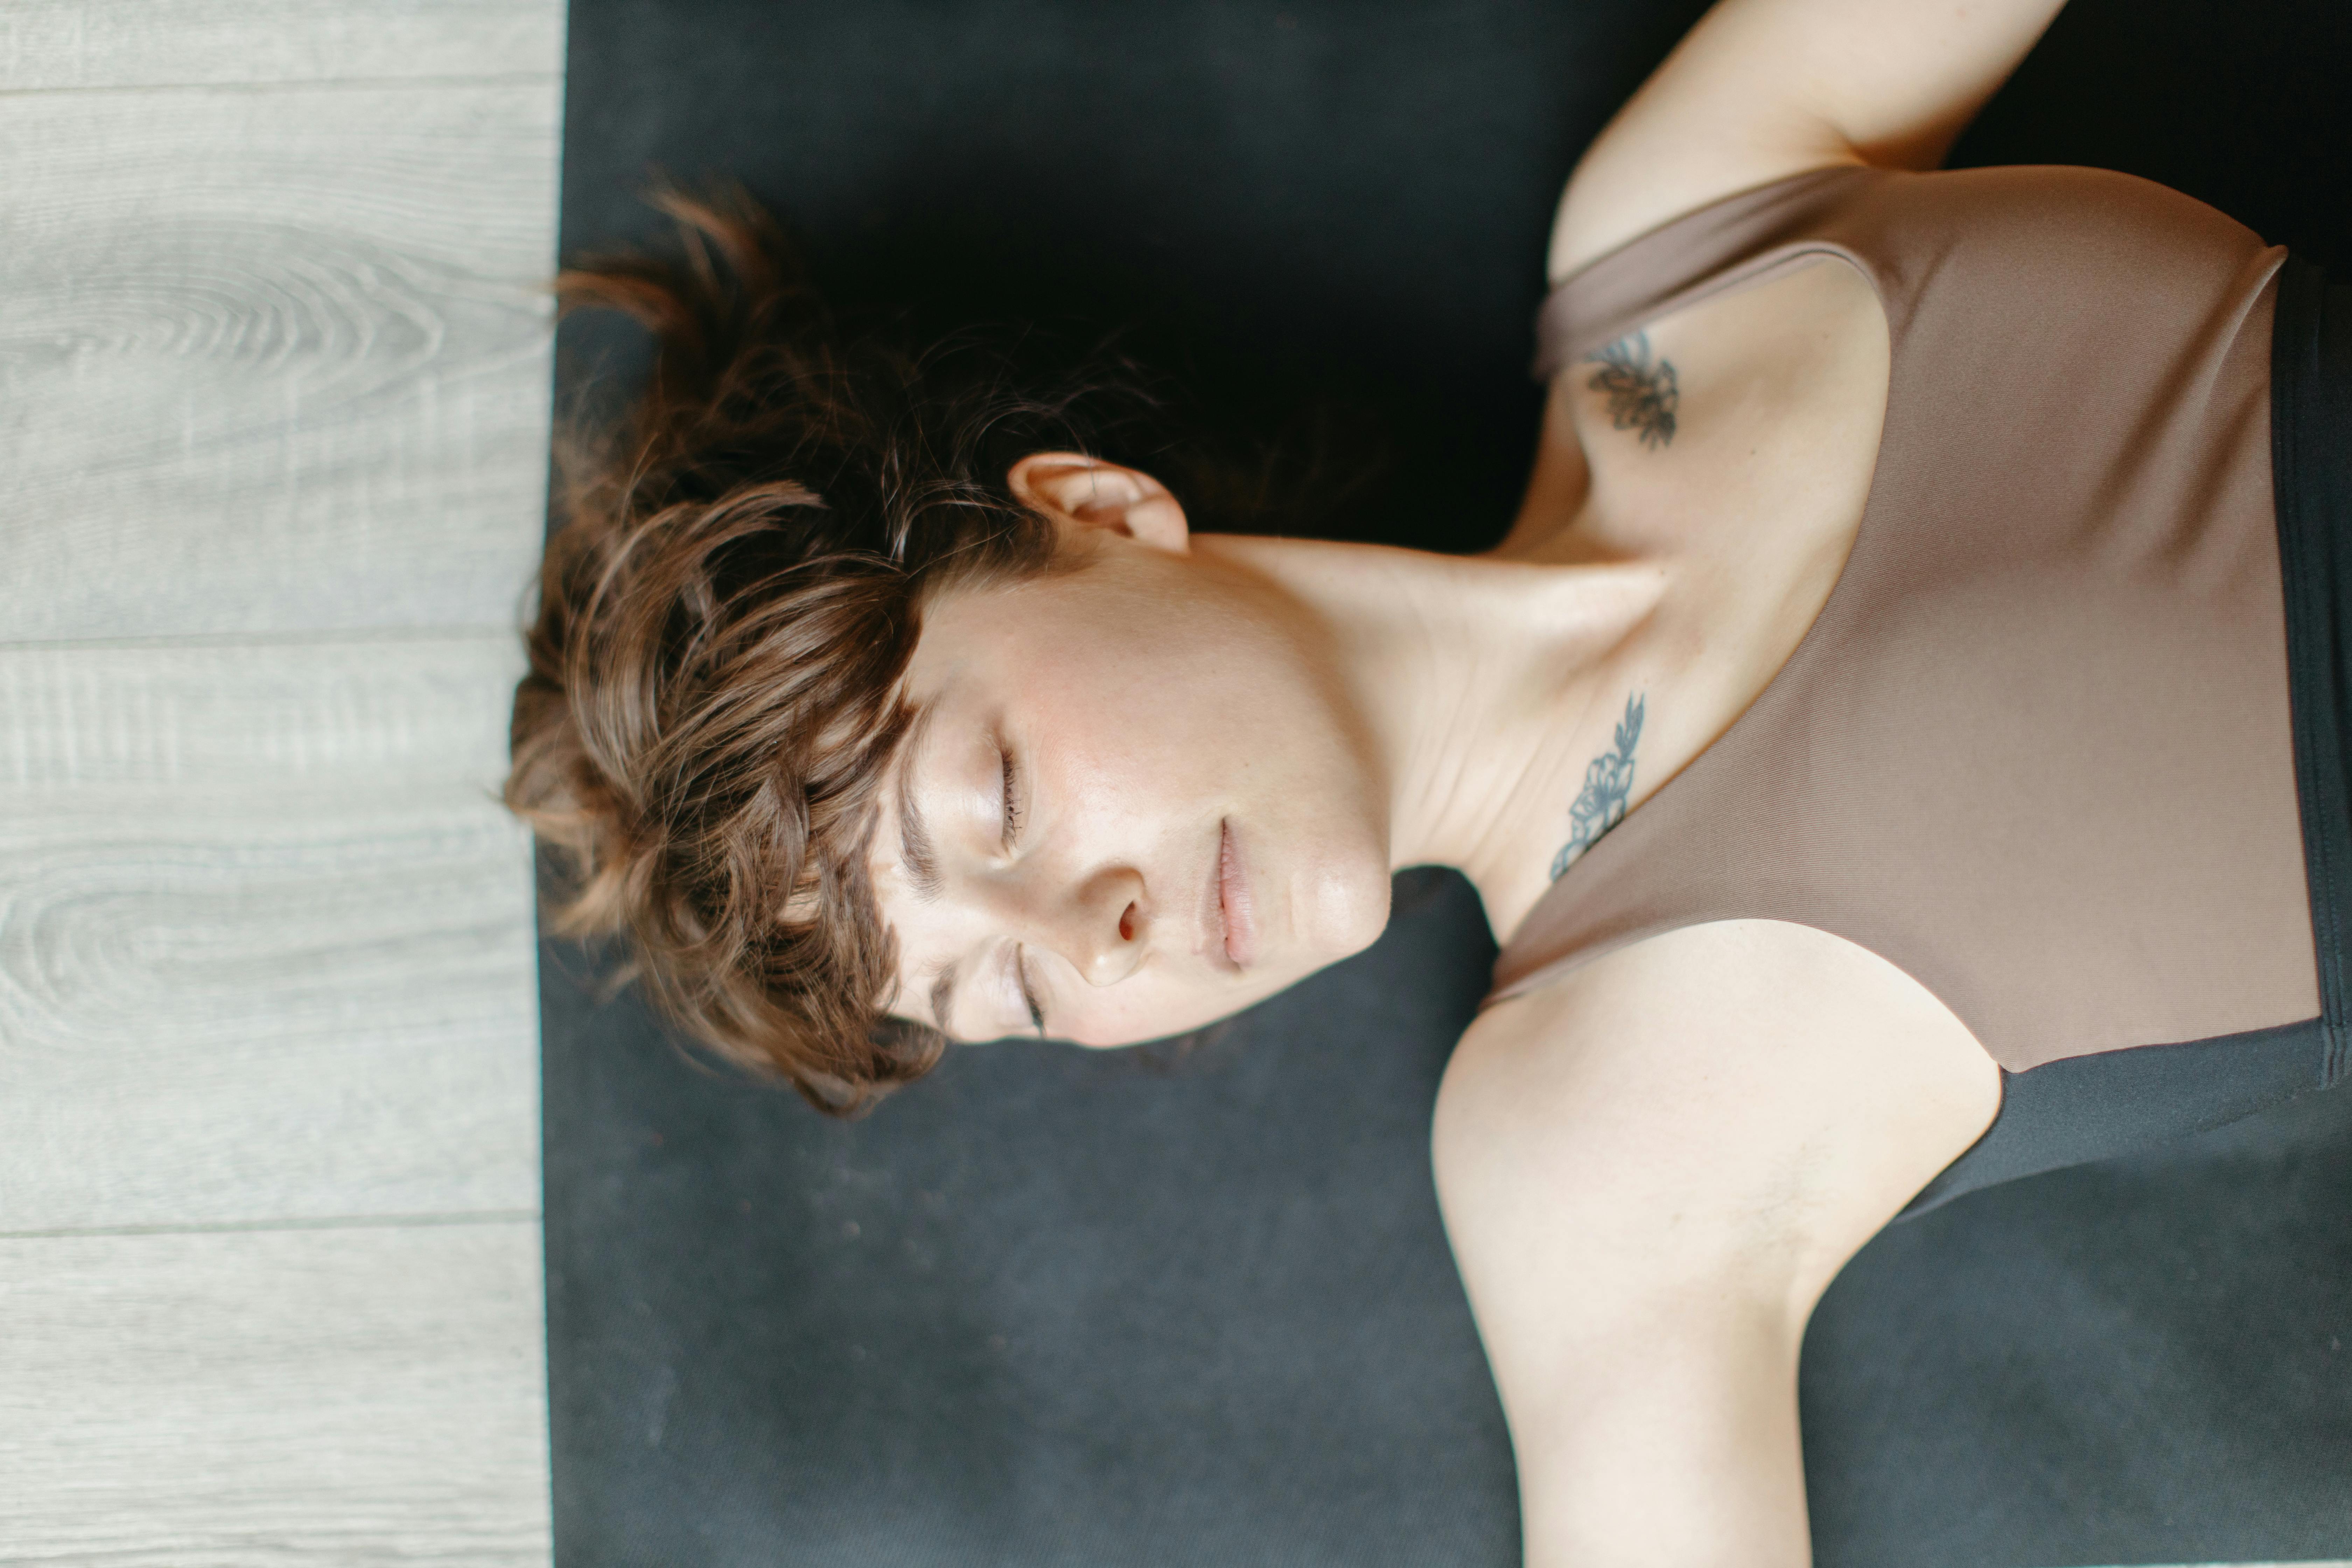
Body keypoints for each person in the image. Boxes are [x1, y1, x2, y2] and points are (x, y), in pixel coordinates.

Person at [506, 0, 2351, 1561]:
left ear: (1091, 514)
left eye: (994, 802)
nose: (1104, 934)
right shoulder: (1577, 1151)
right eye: (1014, 996)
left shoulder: (1684, 225)